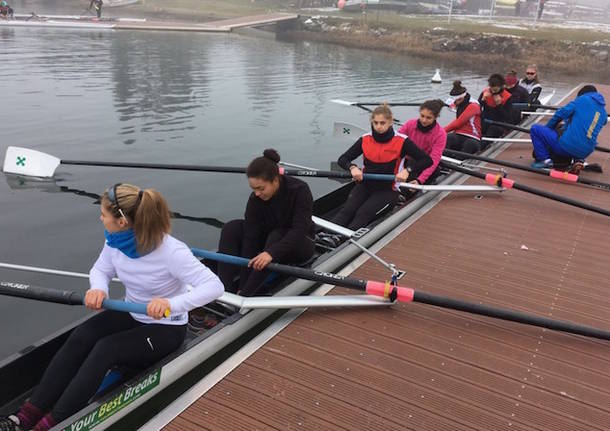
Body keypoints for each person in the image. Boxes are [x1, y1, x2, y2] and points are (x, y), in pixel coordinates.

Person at [0, 184, 224, 431]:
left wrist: (171, 304)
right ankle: (25, 416)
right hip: (132, 312)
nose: (100, 217)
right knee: (82, 336)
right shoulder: (116, 241)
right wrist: (99, 289)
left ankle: (51, 424)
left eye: (104, 214)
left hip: (166, 328)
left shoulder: (171, 252)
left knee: (106, 349)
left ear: (122, 221)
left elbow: (214, 286)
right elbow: (100, 270)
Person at [217, 149, 315, 297]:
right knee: (232, 228)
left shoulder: (300, 189)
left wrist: (271, 253)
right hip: (270, 241)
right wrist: (242, 282)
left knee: (276, 235)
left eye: (261, 188)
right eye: (253, 189)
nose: (257, 193)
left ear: (275, 180)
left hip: (301, 244)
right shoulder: (255, 199)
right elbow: (250, 240)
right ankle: (223, 291)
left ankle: (245, 297)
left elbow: (300, 230)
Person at [331, 104, 432, 231]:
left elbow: (427, 160)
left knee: (363, 214)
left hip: (388, 189)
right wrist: (352, 167)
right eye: (376, 123)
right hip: (365, 184)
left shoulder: (402, 141)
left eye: (383, 123)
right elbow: (343, 159)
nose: (379, 127)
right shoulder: (365, 139)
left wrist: (408, 170)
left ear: (390, 122)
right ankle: (326, 235)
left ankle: (340, 241)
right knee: (346, 211)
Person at [530, 85, 607, 172]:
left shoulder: (582, 99)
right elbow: (600, 122)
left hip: (567, 147)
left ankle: (545, 161)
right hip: (586, 152)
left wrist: (548, 128)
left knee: (535, 129)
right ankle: (579, 160)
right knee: (580, 134)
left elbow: (560, 113)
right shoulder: (603, 113)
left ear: (581, 95)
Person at [398, 99, 447, 186]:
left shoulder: (441, 134)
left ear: (436, 117)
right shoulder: (410, 124)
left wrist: (420, 180)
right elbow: (395, 142)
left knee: (434, 169)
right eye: (422, 116)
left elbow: (434, 160)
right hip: (406, 160)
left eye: (428, 118)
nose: (424, 120)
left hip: (425, 162)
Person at [444, 80, 483, 154]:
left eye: (456, 101)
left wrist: (440, 131)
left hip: (473, 137)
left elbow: (457, 123)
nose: (454, 103)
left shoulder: (474, 106)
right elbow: (451, 104)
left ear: (461, 98)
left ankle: (459, 161)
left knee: (469, 144)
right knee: (448, 138)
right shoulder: (459, 101)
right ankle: (443, 157)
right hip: (459, 134)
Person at [479, 73, 514, 139]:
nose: (493, 92)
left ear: (501, 87)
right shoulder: (485, 93)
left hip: (500, 124)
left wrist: (499, 105)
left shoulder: (507, 97)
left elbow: (508, 117)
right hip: (486, 121)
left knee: (492, 129)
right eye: (491, 89)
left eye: (495, 90)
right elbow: (477, 110)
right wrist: (482, 100)